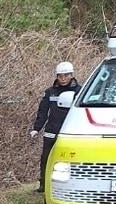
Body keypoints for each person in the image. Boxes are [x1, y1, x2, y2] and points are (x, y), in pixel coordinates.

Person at [30, 61, 79, 191]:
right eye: (60, 76)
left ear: (72, 75)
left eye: (66, 75)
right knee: (46, 159)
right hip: (51, 131)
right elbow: (43, 111)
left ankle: (71, 186)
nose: (63, 78)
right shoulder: (50, 92)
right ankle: (43, 185)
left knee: (71, 159)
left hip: (71, 132)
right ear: (56, 76)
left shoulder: (80, 91)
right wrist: (36, 128)